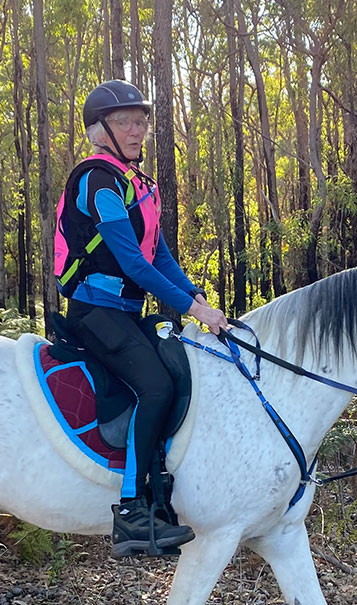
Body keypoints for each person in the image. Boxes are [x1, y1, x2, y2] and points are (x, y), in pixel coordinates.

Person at [53, 79, 229, 557]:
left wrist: (195, 295)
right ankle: (131, 510)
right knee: (156, 386)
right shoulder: (97, 182)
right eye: (126, 122)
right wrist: (195, 311)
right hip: (94, 311)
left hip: (128, 312)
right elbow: (133, 264)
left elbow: (161, 257)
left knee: (178, 369)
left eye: (142, 122)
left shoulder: (140, 186)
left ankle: (160, 497)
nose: (138, 131)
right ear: (99, 130)